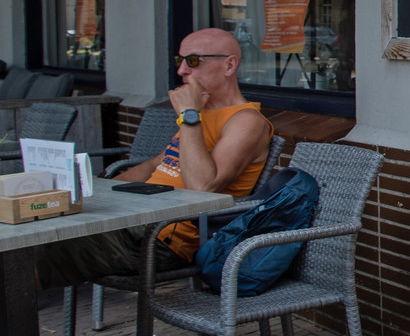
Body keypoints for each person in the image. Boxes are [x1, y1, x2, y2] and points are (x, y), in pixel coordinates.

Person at [35, 28, 275, 289]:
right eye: (179, 61)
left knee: (37, 249)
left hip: (161, 239)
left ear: (229, 65)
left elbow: (203, 188)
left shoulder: (245, 121)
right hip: (134, 219)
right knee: (38, 225)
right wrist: (96, 189)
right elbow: (157, 163)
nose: (182, 70)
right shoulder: (200, 113)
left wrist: (189, 116)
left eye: (193, 61)